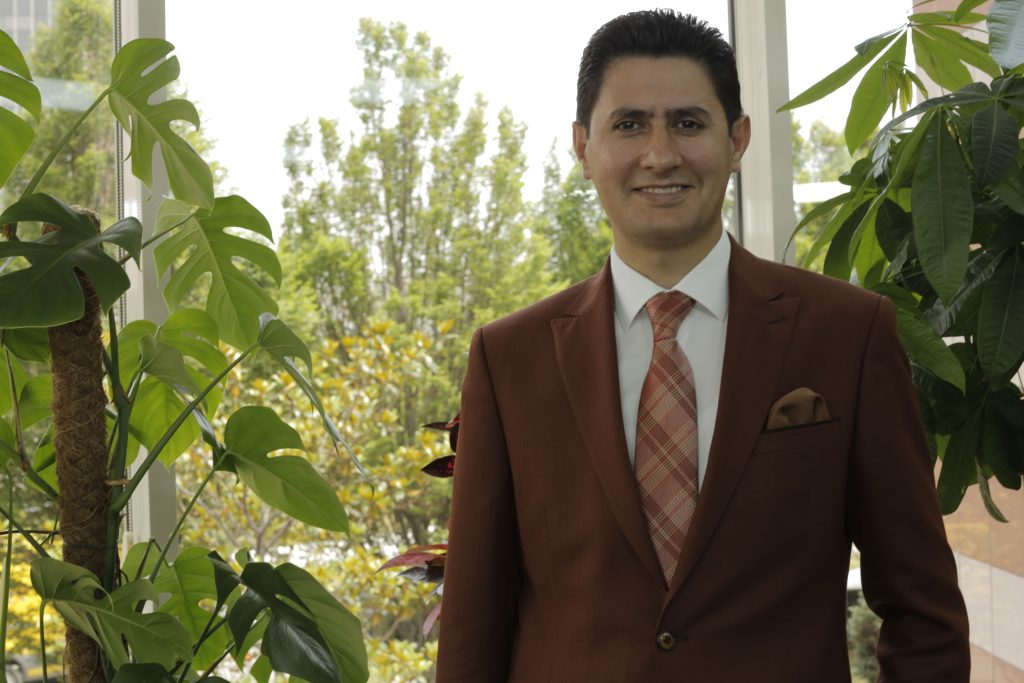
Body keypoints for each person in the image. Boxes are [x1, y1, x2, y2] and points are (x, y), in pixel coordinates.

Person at [436, 9, 969, 682]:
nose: (660, 154)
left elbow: (923, 613)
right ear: (582, 147)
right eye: (629, 124)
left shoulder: (848, 333)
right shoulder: (508, 358)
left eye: (688, 123)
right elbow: (473, 628)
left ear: (737, 139)